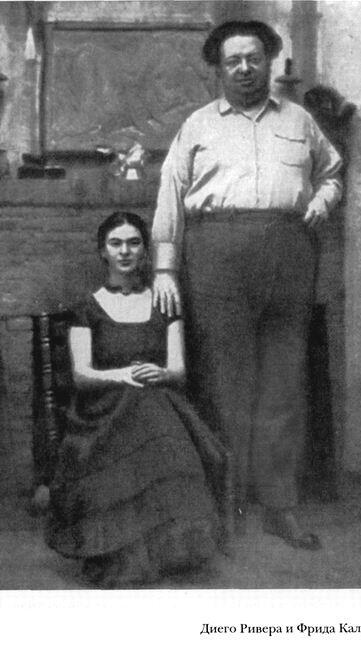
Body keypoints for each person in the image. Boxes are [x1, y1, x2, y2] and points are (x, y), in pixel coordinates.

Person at [151, 21, 343, 550]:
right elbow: (171, 194)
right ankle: (226, 506)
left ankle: (280, 506)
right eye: (233, 60)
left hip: (288, 252)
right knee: (224, 385)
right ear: (219, 68)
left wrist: (322, 201)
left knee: (283, 384)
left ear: (269, 62)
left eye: (253, 58)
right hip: (217, 254)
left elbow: (332, 172)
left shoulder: (299, 120)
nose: (244, 69)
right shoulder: (197, 125)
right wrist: (165, 268)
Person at [46, 212, 219, 588]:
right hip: (103, 411)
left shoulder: (165, 304)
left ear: (145, 251)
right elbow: (82, 375)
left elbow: (178, 370)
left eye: (134, 243)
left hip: (158, 403)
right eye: (116, 243)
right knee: (140, 415)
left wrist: (160, 373)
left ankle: (167, 550)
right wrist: (122, 375)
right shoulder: (86, 309)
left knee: (157, 420)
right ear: (103, 252)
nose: (125, 251)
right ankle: (123, 551)